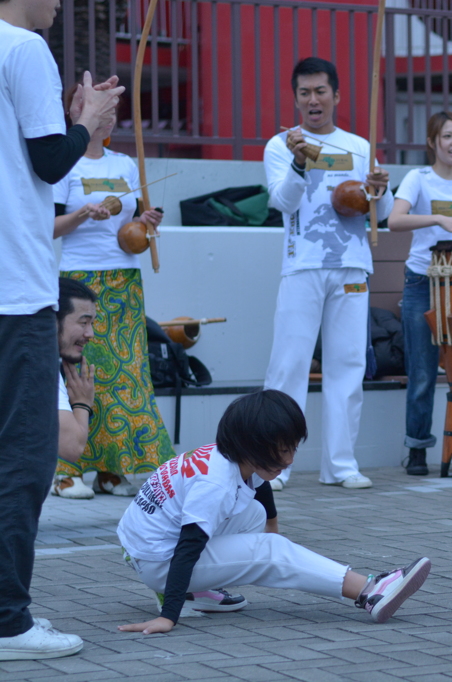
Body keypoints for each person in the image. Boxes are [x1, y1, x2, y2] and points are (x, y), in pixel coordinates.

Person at [0, 0, 122, 660]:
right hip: (13, 291)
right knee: (23, 460)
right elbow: (51, 162)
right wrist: (88, 122)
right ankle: (8, 623)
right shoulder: (21, 49)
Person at [115, 390, 431, 634]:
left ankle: (197, 593)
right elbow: (187, 548)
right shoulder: (215, 484)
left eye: (293, 447)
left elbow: (260, 488)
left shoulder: (232, 455)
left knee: (254, 515)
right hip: (159, 563)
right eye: (283, 451)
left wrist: (273, 525)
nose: (291, 459)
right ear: (253, 446)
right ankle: (370, 592)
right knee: (270, 552)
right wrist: (167, 617)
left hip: (149, 547)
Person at [263, 57, 394, 490]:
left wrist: (381, 188)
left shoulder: (359, 147)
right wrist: (301, 165)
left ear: (336, 95)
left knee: (349, 364)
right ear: (296, 97)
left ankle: (340, 464)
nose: (313, 100)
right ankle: (273, 464)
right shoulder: (282, 144)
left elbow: (384, 214)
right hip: (303, 263)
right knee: (290, 364)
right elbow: (282, 202)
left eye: (321, 91)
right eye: (304, 93)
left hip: (352, 264)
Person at [52, 92, 174, 499]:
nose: (104, 115)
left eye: (109, 109)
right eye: (89, 105)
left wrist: (145, 220)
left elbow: (136, 219)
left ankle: (110, 468)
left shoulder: (124, 165)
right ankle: (65, 469)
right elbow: (48, 226)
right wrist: (84, 213)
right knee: (78, 370)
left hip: (124, 283)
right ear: (74, 111)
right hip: (81, 280)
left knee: (123, 376)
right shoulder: (63, 162)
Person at [387, 111, 452, 476]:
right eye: (447, 136)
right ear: (432, 142)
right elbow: (394, 221)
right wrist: (438, 219)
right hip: (422, 282)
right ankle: (417, 448)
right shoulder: (418, 179)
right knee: (422, 371)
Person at [56, 278, 98, 470]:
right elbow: (71, 447)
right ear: (53, 321)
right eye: (83, 323)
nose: (90, 334)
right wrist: (82, 403)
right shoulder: (36, 367)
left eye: (92, 324)